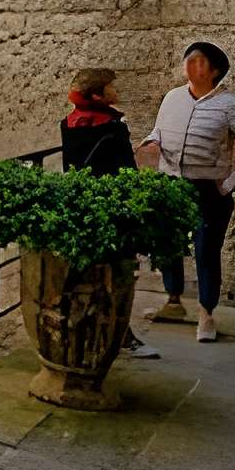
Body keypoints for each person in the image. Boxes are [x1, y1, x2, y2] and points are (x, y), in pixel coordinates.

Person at [138, 40, 235, 342]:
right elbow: (158, 130)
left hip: (208, 189)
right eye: (189, 59)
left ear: (214, 72)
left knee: (206, 249)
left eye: (199, 62)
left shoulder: (231, 105)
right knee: (166, 244)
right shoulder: (172, 98)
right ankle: (173, 301)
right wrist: (150, 143)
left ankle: (206, 312)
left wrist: (232, 181)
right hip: (169, 184)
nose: (190, 65)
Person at [60, 68, 158, 360]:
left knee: (88, 274)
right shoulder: (112, 126)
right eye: (110, 87)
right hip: (114, 211)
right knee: (119, 275)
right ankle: (120, 336)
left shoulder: (69, 123)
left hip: (86, 208)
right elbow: (125, 171)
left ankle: (81, 332)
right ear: (98, 95)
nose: (116, 91)